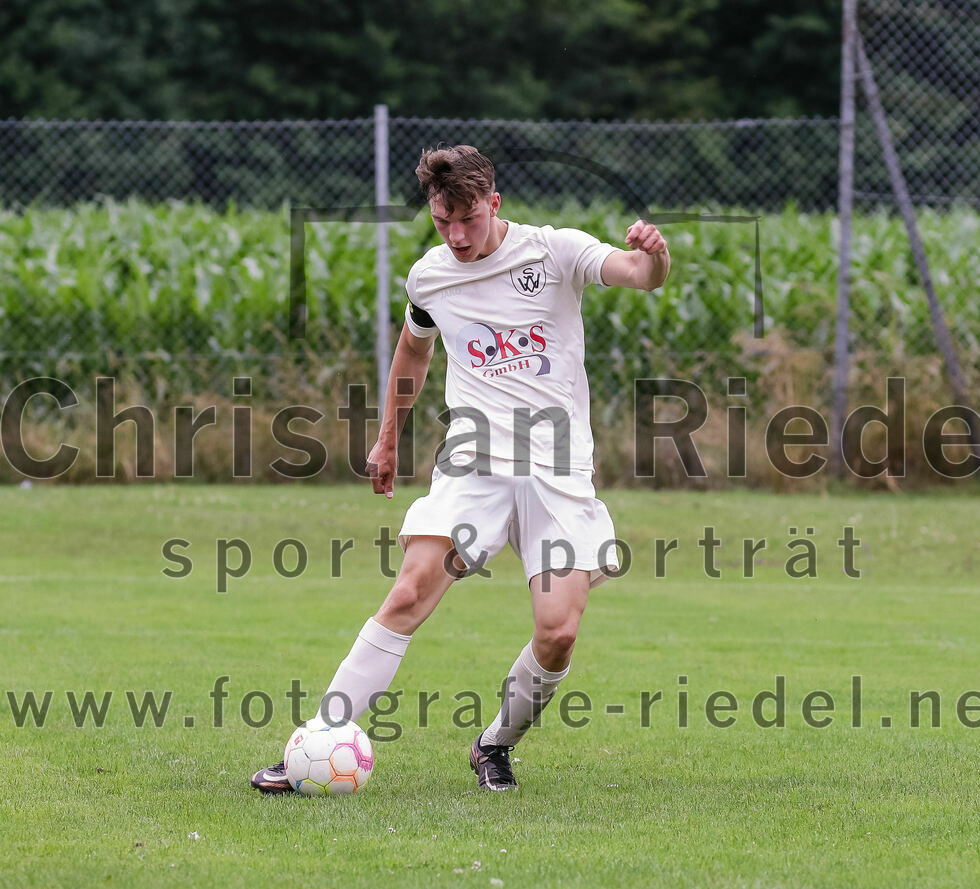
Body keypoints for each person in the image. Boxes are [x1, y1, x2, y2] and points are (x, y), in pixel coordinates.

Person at [252, 144, 669, 793]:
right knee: (410, 589)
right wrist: (388, 439)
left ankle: (494, 744)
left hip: (557, 470)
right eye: (442, 221)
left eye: (468, 218)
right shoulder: (429, 276)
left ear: (494, 203)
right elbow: (412, 354)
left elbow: (637, 273)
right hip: (474, 462)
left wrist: (653, 255)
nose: (456, 235)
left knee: (558, 631)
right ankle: (316, 740)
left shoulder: (553, 252)